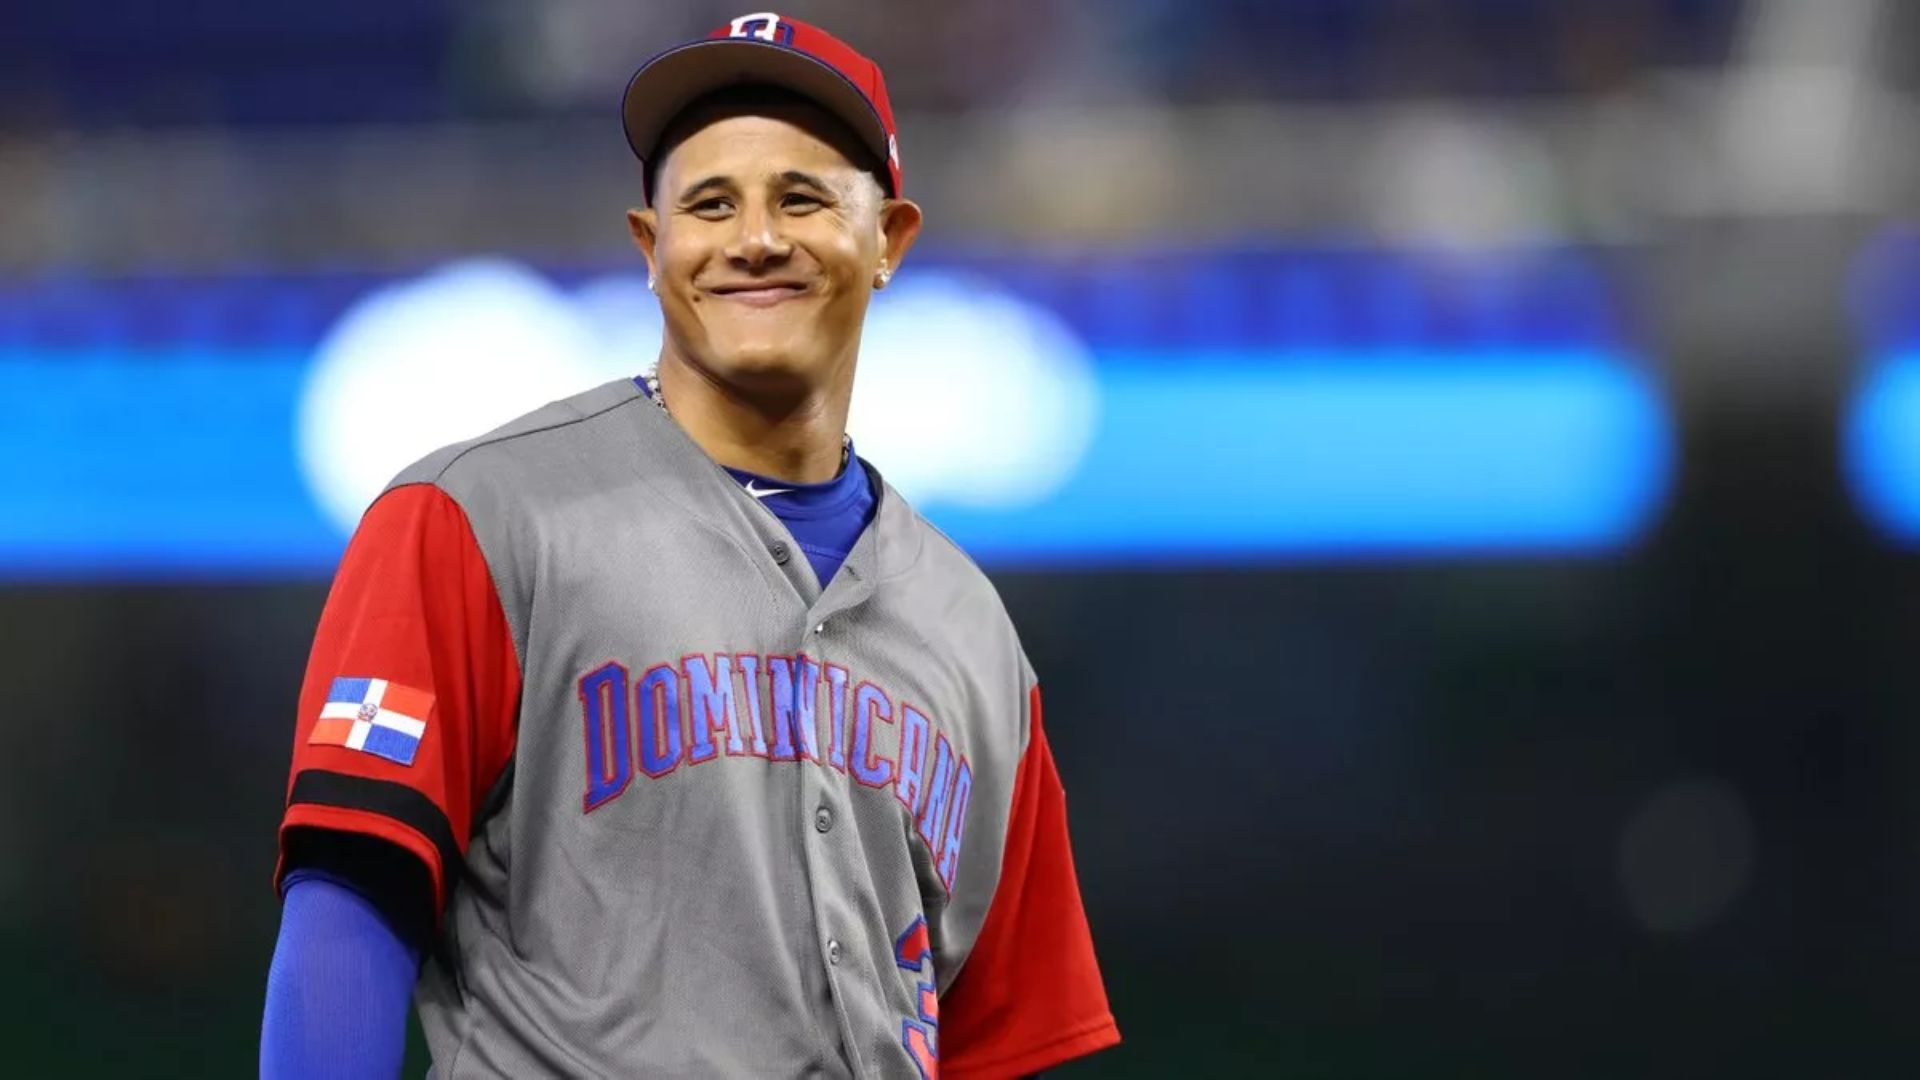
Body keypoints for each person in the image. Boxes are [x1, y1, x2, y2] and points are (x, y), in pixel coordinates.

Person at [259, 12, 1119, 1078]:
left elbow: (1001, 1041)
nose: (753, 239)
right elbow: (349, 908)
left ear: (889, 240)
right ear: (649, 245)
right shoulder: (472, 519)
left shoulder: (971, 627)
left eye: (801, 199)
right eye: (709, 204)